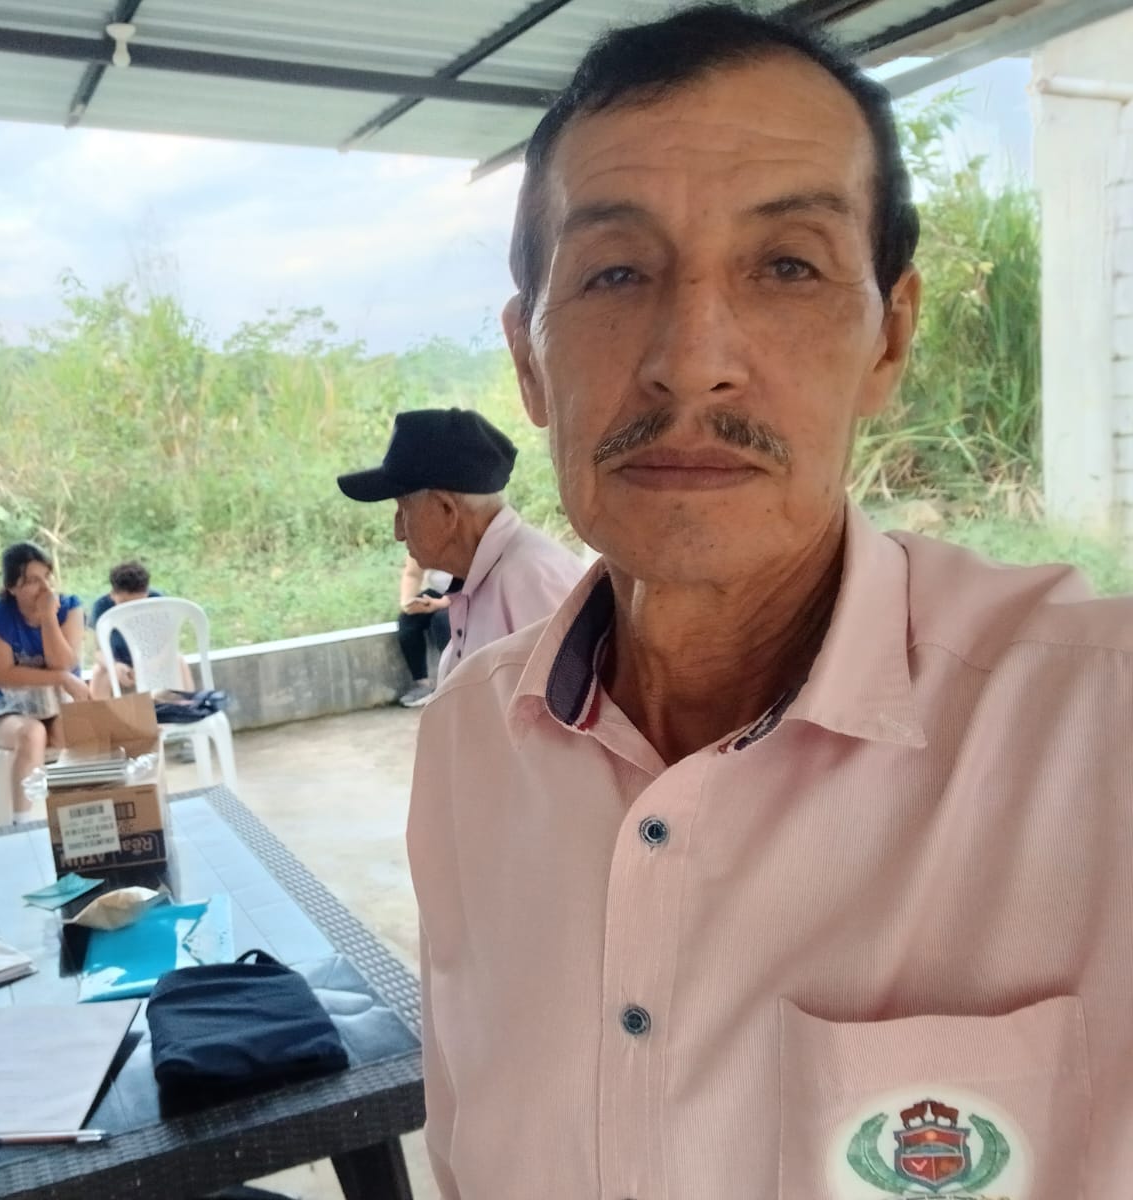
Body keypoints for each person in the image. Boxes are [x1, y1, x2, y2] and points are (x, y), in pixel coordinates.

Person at [409, 6, 1133, 1197]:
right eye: (615, 272)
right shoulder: (467, 748)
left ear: (887, 339)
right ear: (529, 360)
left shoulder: (1096, 734)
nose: (691, 359)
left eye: (788, 265)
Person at [338, 408, 585, 682]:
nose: (398, 532)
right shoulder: (486, 575)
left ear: (446, 510)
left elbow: (574, 705)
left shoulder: (533, 582)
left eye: (403, 509)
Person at [0, 542, 91, 814]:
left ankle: (74, 815)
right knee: (32, 734)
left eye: (47, 577)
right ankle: (22, 823)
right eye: (31, 581)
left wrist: (48, 617)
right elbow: (3, 675)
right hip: (13, 708)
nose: (44, 588)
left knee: (73, 732)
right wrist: (61, 678)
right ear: (11, 587)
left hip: (61, 703)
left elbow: (63, 662)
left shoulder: (70, 608)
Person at [87, 560, 194, 699]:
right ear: (113, 594)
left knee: (178, 661)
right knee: (98, 673)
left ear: (146, 593)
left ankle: (190, 705)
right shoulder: (101, 607)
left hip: (153, 659)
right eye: (124, 604)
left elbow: (170, 642)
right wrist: (114, 666)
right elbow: (97, 651)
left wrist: (154, 663)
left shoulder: (157, 601)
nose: (131, 610)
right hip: (120, 663)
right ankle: (102, 712)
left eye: (139, 604)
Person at [394, 555, 453, 708]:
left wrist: (440, 604)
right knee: (408, 621)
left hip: (470, 593)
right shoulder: (420, 543)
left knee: (442, 621)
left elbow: (470, 579)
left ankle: (453, 683)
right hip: (439, 592)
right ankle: (424, 685)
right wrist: (408, 602)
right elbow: (412, 574)